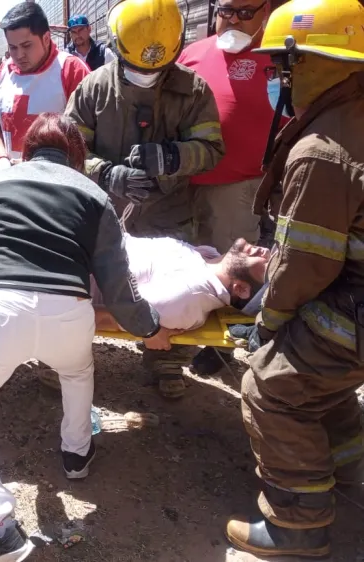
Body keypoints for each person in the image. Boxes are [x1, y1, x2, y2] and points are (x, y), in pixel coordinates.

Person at [0, 113, 173, 562]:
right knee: (77, 371)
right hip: (69, 312)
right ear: (75, 155)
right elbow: (120, 289)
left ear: (27, 148)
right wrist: (151, 328)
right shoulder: (94, 195)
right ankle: (76, 458)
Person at [223, 0, 364, 557]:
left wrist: (269, 319)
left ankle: (297, 526)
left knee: (272, 386)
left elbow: (307, 264)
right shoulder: (353, 117)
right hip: (353, 299)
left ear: (323, 62)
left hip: (350, 302)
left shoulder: (323, 151)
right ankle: (347, 474)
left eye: (288, 65)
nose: (282, 79)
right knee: (320, 386)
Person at [65, 0, 225, 400]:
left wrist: (173, 157)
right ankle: (68, 359)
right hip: (105, 212)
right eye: (138, 67)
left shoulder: (193, 90)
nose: (147, 75)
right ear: (117, 47)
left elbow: (211, 147)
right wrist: (106, 173)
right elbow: (68, 148)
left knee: (172, 292)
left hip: (168, 212)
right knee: (91, 286)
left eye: (157, 69)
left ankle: (166, 362)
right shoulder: (94, 87)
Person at [0, 196, 269, 331]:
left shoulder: (190, 297)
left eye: (266, 265)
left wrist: (150, 333)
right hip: (78, 243)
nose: (264, 251)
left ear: (242, 290)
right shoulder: (208, 262)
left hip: (65, 261)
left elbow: (123, 317)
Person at [178, 0, 282, 376]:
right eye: (226, 10)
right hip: (182, 184)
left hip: (238, 186)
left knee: (232, 270)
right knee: (185, 264)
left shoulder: (277, 57)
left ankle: (215, 347)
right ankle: (171, 344)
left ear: (265, 12)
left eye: (244, 12)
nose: (232, 20)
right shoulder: (192, 54)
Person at [0, 2, 90, 169]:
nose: (19, 55)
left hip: (57, 185)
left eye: (27, 46)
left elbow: (87, 137)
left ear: (46, 39)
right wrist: (3, 159)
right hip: (11, 181)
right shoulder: (4, 71)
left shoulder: (72, 70)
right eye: (13, 47)